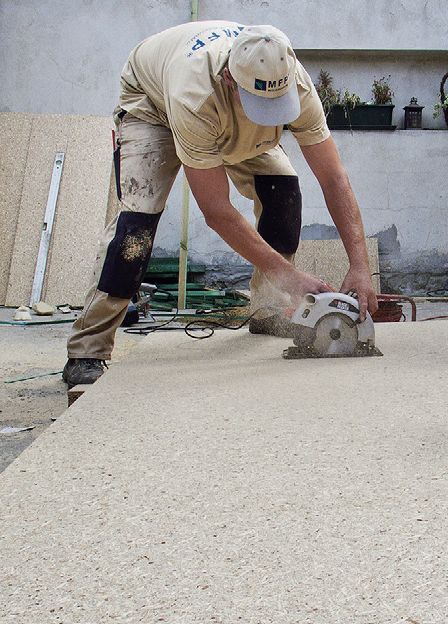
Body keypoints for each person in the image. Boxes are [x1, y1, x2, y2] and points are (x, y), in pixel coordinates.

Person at [63, 21, 378, 387]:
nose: (275, 110)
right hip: (154, 108)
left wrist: (359, 265)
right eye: (265, 105)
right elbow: (216, 210)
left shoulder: (295, 82)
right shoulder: (193, 94)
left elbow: (333, 178)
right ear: (231, 78)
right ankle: (88, 347)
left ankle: (268, 310)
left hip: (225, 109)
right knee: (136, 229)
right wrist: (290, 276)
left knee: (283, 193)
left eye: (279, 103)